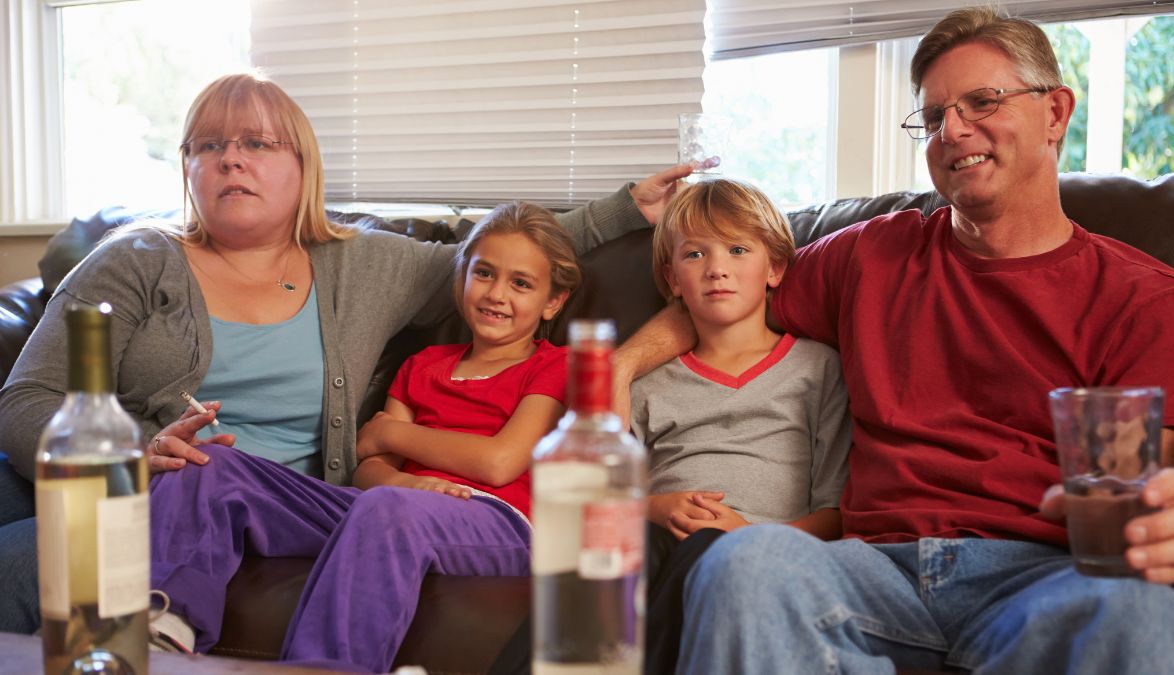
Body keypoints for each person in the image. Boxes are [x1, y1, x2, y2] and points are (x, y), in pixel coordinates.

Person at [0, 73, 689, 640]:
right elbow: (26, 402)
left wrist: (624, 209)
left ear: (304, 167)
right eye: (208, 145)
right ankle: (163, 628)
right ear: (187, 168)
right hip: (146, 492)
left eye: (255, 143)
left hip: (302, 503)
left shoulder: (362, 264)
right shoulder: (131, 261)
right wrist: (132, 454)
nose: (230, 158)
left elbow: (500, 255)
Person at [617, 7, 1174, 673]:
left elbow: (1138, 496)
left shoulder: (1151, 302)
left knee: (1153, 619)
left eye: (983, 101)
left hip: (1041, 578)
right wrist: (619, 366)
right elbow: (730, 289)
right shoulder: (868, 255)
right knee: (746, 560)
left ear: (1056, 113)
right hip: (868, 569)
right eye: (933, 116)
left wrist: (1150, 528)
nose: (952, 130)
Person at [150, 200, 579, 672]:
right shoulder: (424, 364)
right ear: (463, 277)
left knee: (386, 510)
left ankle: (325, 668)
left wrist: (393, 434)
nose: (497, 294)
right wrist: (404, 483)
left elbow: (499, 461)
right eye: (484, 274)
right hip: (395, 509)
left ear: (553, 302)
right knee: (210, 466)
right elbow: (368, 465)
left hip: (500, 519)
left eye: (521, 284)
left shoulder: (554, 365)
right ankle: (164, 629)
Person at [633, 178, 851, 673]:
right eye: (694, 255)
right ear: (672, 279)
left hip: (766, 554)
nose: (716, 269)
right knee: (618, 551)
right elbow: (597, 497)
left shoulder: (819, 370)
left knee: (712, 547)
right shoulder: (647, 385)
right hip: (657, 537)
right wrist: (657, 506)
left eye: (737, 249)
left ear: (775, 268)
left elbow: (836, 513)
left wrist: (751, 538)